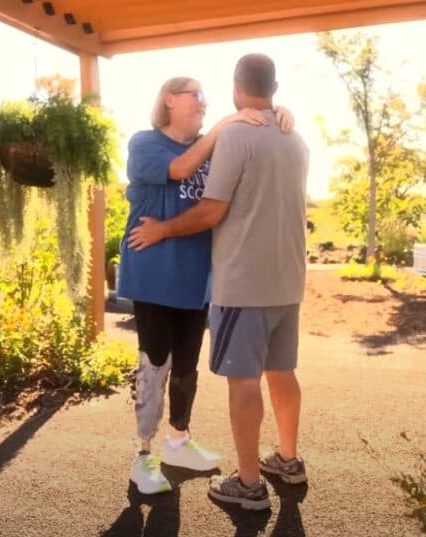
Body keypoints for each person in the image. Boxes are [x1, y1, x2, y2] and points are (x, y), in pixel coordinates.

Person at [127, 54, 310, 511]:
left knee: (188, 370)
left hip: (202, 283)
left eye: (210, 97)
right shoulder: (148, 143)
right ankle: (144, 455)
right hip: (156, 277)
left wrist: (272, 116)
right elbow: (182, 171)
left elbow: (230, 195)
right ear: (170, 100)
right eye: (196, 96)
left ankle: (181, 441)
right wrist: (240, 122)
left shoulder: (226, 141)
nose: (205, 104)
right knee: (156, 367)